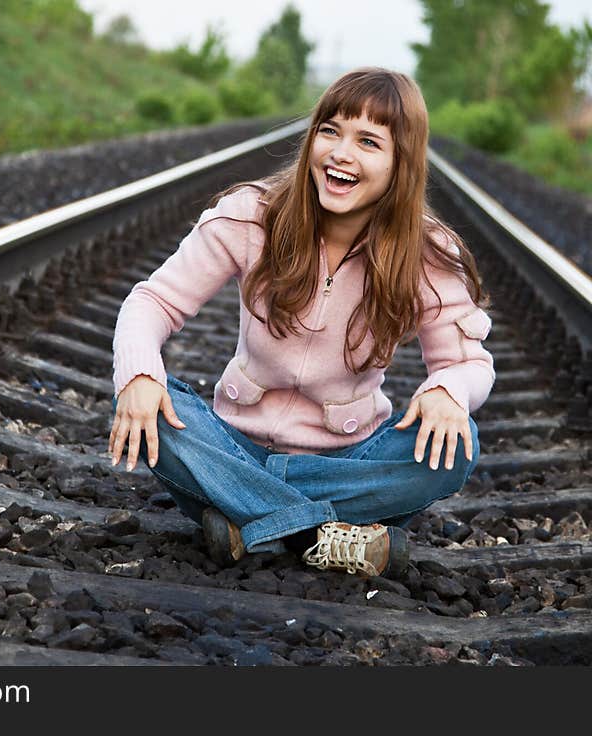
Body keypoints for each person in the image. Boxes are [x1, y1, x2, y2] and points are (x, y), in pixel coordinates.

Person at [107, 68, 494, 579]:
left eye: (369, 142)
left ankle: (249, 520)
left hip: (348, 460)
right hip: (232, 446)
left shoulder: (427, 254)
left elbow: (469, 364)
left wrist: (448, 388)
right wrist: (137, 377)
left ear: (402, 164)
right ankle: (325, 535)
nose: (341, 153)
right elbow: (151, 302)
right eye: (330, 131)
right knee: (157, 408)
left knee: (454, 441)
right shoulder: (253, 216)